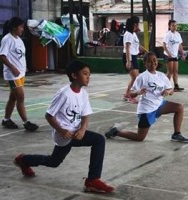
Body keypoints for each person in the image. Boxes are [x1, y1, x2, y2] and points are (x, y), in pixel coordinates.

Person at [14, 60, 114, 193]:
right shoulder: (64, 94)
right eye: (85, 74)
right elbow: (49, 115)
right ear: (74, 75)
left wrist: (83, 129)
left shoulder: (83, 94)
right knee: (54, 161)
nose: (88, 77)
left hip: (76, 132)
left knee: (97, 140)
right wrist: (61, 130)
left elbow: (85, 115)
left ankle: (92, 180)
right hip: (64, 135)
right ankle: (23, 159)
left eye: (89, 74)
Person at [105, 52, 188, 143]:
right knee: (140, 137)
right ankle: (116, 132)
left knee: (179, 107)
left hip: (159, 106)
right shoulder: (142, 77)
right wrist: (137, 92)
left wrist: (168, 91)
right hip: (146, 110)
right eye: (149, 61)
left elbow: (171, 90)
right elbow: (130, 93)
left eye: (154, 60)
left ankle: (176, 134)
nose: (153, 63)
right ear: (145, 64)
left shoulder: (161, 75)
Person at [0, 17, 38, 131]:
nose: (22, 29)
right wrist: (13, 68)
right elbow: (2, 56)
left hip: (20, 74)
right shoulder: (7, 39)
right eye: (21, 26)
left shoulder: (18, 39)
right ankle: (26, 122)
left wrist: (23, 67)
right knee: (20, 97)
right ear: (14, 27)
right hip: (12, 74)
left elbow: (19, 56)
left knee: (13, 98)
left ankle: (6, 119)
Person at [122, 16, 145, 103]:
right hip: (129, 56)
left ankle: (127, 94)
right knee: (135, 78)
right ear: (134, 24)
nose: (139, 25)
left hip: (134, 57)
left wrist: (146, 51)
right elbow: (127, 48)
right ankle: (130, 95)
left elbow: (137, 45)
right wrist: (128, 61)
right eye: (138, 23)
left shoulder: (133, 34)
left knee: (135, 78)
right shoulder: (128, 34)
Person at [163, 20, 186, 92]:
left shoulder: (178, 34)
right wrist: (168, 53)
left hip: (175, 55)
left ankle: (176, 86)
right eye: (173, 25)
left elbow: (180, 45)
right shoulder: (168, 34)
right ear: (169, 26)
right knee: (170, 72)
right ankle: (165, 86)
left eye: (176, 25)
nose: (175, 27)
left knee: (175, 71)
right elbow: (163, 45)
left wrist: (182, 54)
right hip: (168, 55)